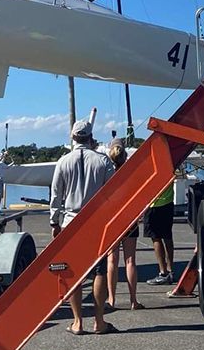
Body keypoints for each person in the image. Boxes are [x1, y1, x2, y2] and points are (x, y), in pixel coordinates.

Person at [49, 119, 117, 335]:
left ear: (72, 137)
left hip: (71, 221)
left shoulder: (63, 161)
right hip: (96, 221)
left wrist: (54, 221)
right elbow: (113, 192)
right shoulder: (103, 161)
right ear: (90, 137)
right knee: (99, 270)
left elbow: (56, 195)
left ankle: (78, 322)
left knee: (73, 272)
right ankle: (99, 320)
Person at [105, 140, 143, 311]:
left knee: (112, 260)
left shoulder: (107, 174)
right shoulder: (131, 174)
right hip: (129, 219)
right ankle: (133, 299)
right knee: (130, 260)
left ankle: (112, 299)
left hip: (112, 220)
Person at [144, 180, 175, 285]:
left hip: (154, 203)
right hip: (168, 200)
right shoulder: (167, 164)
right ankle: (170, 270)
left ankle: (163, 273)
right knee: (167, 236)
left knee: (156, 237)